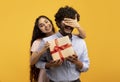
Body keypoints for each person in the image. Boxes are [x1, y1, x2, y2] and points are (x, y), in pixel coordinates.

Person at [35, 6, 90, 82]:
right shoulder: (47, 41)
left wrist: (77, 62)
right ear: (58, 23)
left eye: (71, 22)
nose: (69, 25)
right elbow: (38, 63)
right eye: (65, 21)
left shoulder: (80, 41)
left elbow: (86, 67)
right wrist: (49, 65)